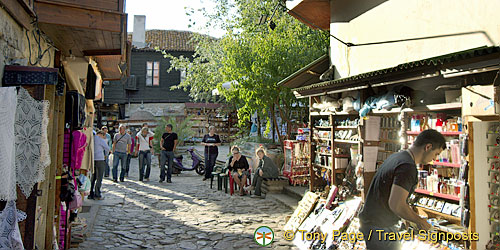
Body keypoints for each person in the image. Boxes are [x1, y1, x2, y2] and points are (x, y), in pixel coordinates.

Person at [358, 129, 445, 249]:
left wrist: (409, 218)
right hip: (381, 228)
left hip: (373, 224)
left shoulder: (397, 157)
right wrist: (420, 221)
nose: (434, 159)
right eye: (436, 154)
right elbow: (396, 205)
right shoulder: (407, 167)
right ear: (428, 147)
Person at [90, 130, 110, 200]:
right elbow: (107, 148)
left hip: (93, 159)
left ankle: (90, 193)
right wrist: (106, 155)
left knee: (93, 177)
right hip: (100, 159)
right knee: (99, 177)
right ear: (101, 134)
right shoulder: (100, 140)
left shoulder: (92, 139)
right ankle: (97, 193)